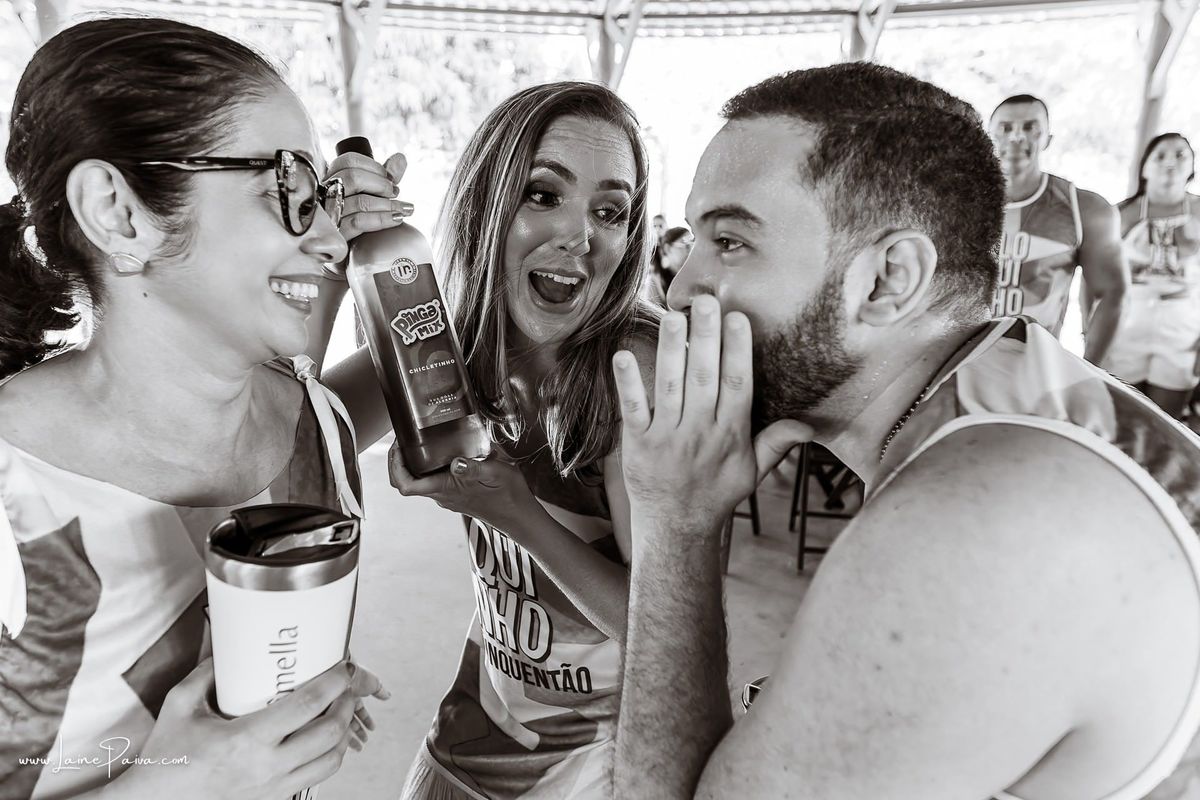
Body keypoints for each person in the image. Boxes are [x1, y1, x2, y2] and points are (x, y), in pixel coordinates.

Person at [609, 63, 1200, 799]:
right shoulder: (1013, 388)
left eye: (730, 241)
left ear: (889, 279)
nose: (683, 284)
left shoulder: (975, 519)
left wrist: (675, 520)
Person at [0, 19, 389, 799]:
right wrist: (175, 784)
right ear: (117, 211)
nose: (332, 240)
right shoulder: (14, 493)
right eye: (287, 187)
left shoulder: (320, 426)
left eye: (324, 197)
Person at [327, 82, 657, 798]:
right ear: (486, 204)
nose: (582, 236)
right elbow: (300, 436)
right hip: (472, 737)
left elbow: (662, 627)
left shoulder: (634, 372)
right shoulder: (452, 343)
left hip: (596, 768)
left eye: (611, 210)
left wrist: (513, 511)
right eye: (543, 194)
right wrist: (330, 262)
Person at [988, 94, 1127, 363]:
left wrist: (1087, 371)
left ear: (1048, 139)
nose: (1016, 138)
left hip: (1035, 364)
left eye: (1030, 128)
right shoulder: (957, 198)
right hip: (958, 365)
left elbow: (1112, 292)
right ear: (989, 135)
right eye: (1005, 128)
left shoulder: (1084, 208)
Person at [1103, 133, 1200, 419]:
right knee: (1121, 417)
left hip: (1183, 325)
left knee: (1164, 422)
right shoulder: (1120, 213)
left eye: (1181, 155)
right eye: (1160, 156)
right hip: (1127, 322)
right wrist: (1090, 325)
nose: (1170, 162)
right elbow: (1095, 276)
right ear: (1144, 168)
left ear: (1193, 165)